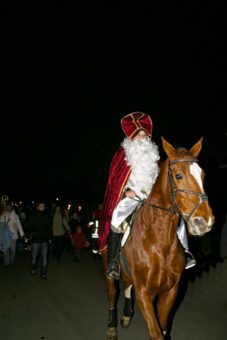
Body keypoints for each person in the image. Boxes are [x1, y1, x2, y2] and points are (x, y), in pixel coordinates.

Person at [99, 111, 196, 280]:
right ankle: (114, 262)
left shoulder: (154, 157)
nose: (143, 138)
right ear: (131, 137)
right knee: (116, 217)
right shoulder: (122, 156)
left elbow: (161, 179)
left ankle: (186, 253)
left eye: (145, 134)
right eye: (139, 135)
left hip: (153, 197)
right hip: (132, 195)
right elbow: (115, 181)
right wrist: (124, 191)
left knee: (176, 216)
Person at [28, 201, 52, 279]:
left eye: (43, 206)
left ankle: (43, 273)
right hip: (35, 240)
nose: (42, 207)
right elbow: (29, 227)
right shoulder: (33, 217)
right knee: (34, 257)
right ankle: (33, 269)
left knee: (45, 258)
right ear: (37, 207)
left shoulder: (47, 217)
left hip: (44, 241)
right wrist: (33, 228)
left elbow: (49, 229)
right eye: (40, 206)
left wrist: (49, 238)